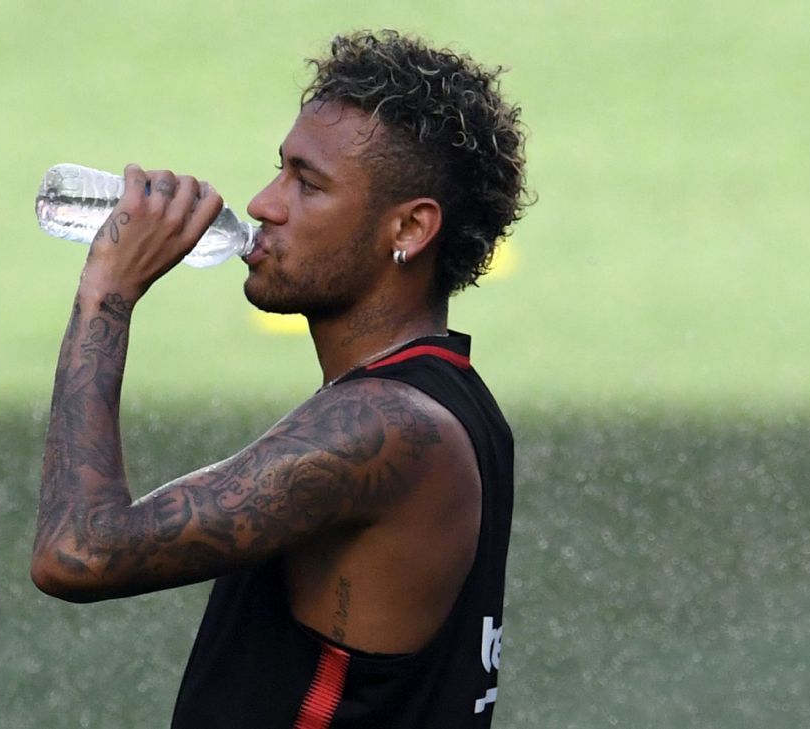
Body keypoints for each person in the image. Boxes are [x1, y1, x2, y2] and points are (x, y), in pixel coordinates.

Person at [30, 29, 529, 728]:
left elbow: (77, 551)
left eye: (308, 184)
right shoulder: (443, 404)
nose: (264, 203)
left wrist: (105, 295)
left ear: (410, 229)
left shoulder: (385, 429)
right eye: (280, 170)